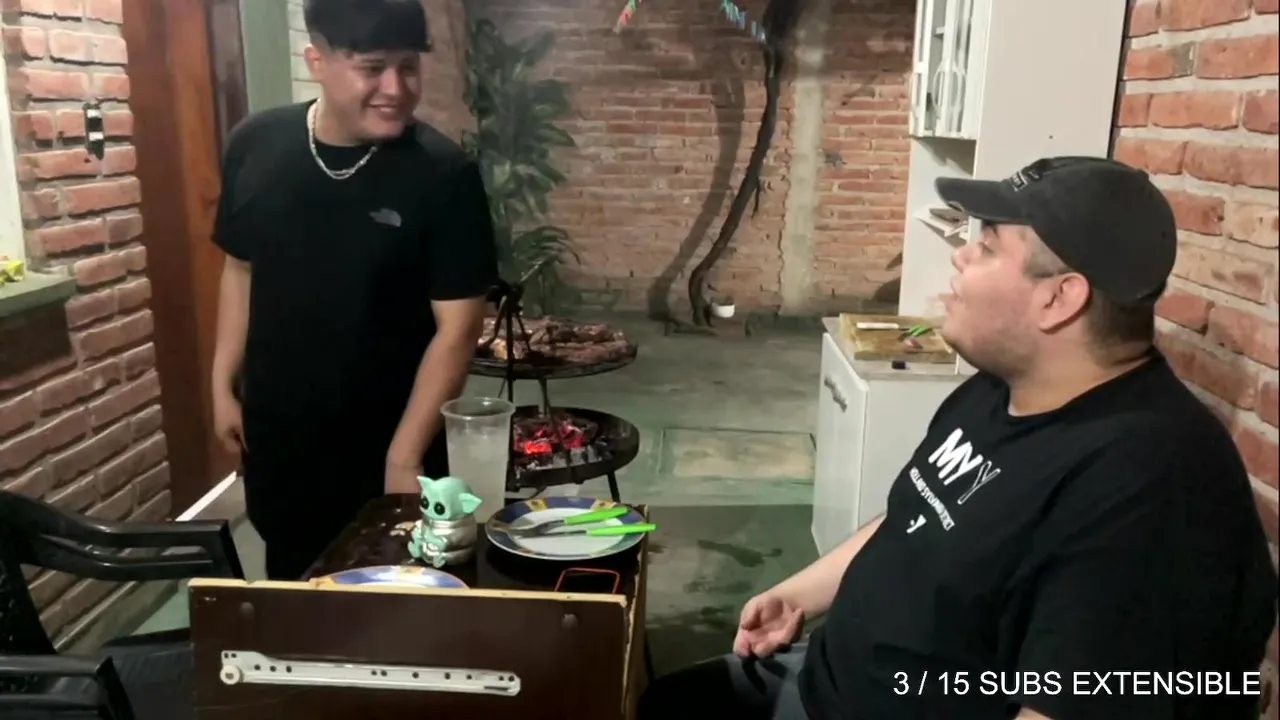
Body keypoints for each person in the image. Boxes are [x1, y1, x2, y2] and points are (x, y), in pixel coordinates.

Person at [639, 157, 1278, 720]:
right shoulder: (1005, 387)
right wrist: (800, 592)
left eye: (989, 246)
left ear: (1059, 298)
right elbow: (920, 512)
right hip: (827, 674)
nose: (960, 255)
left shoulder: (1151, 492)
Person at [210, 0, 497, 580]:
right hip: (281, 435)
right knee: (295, 586)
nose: (396, 88)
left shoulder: (443, 175)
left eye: (408, 66)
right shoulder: (256, 145)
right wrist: (221, 383)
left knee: (399, 599)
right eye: (372, 68)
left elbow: (458, 328)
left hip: (391, 436)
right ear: (316, 60)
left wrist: (404, 456)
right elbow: (240, 268)